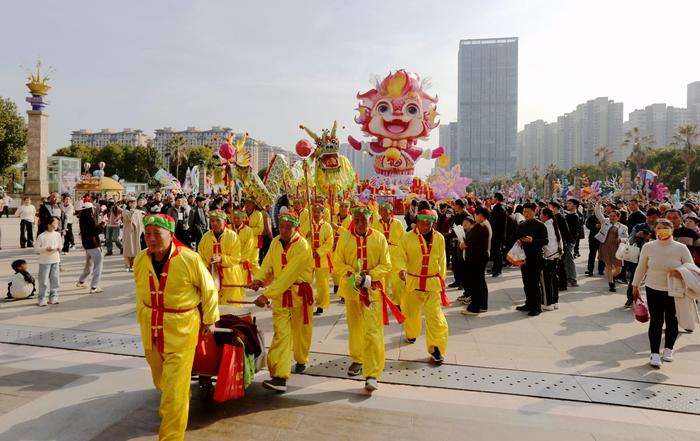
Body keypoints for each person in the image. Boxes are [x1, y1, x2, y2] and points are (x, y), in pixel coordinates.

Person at [135, 213, 219, 441]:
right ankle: (180, 396)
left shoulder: (188, 259)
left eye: (156, 234)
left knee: (173, 392)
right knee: (162, 381)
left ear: (170, 235)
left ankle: (171, 436)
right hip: (151, 330)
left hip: (181, 331)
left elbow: (208, 288)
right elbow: (140, 291)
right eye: (148, 234)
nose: (151, 239)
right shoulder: (140, 259)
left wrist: (209, 320)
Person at [251, 212, 313, 393]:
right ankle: (279, 376)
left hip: (299, 294)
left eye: (289, 227)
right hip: (281, 297)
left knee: (302, 333)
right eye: (282, 226)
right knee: (281, 334)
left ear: (296, 228)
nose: (285, 230)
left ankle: (301, 358)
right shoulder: (276, 242)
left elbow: (288, 275)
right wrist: (260, 280)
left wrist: (266, 294)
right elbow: (268, 265)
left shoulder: (302, 246)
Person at [333, 204, 392, 391]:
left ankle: (372, 373)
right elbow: (337, 262)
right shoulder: (344, 238)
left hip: (373, 292)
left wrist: (371, 276)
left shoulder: (379, 238)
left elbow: (386, 264)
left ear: (370, 220)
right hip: (351, 291)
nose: (359, 223)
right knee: (355, 328)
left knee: (373, 331)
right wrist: (350, 273)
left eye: (363, 220)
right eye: (356, 219)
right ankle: (357, 359)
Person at [632, 218, 693, 368]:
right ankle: (654, 353)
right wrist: (635, 285)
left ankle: (668, 349)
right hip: (653, 288)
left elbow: (691, 267)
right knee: (656, 321)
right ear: (655, 230)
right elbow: (641, 267)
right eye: (659, 228)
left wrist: (681, 272)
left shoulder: (681, 248)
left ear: (672, 230)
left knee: (672, 320)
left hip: (674, 289)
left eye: (666, 228)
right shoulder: (648, 246)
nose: (662, 231)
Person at [398, 209, 448, 362]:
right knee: (410, 314)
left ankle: (436, 348)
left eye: (429, 223)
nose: (426, 226)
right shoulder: (407, 237)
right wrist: (401, 269)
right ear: (417, 223)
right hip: (413, 282)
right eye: (423, 223)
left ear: (433, 223)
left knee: (436, 317)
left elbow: (442, 260)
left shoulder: (439, 238)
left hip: (432, 283)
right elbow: (401, 256)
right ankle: (411, 333)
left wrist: (442, 279)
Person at [198, 209, 244, 304]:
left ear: (225, 221)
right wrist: (207, 266)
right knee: (214, 308)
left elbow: (236, 258)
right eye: (212, 221)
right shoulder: (205, 237)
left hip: (230, 278)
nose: (214, 223)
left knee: (232, 309)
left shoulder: (232, 236)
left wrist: (221, 259)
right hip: (212, 277)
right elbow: (200, 257)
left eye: (218, 220)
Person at [515, 203, 548, 316]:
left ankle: (537, 307)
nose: (526, 214)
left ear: (535, 212)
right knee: (526, 282)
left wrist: (533, 240)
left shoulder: (540, 225)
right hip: (524, 258)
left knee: (534, 283)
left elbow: (545, 241)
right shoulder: (522, 225)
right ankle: (528, 303)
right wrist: (519, 241)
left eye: (528, 212)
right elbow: (517, 237)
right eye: (524, 212)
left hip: (536, 257)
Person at [460, 206, 492, 315]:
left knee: (475, 282)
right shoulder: (486, 224)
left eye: (475, 215)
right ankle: (483, 305)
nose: (475, 217)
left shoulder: (480, 226)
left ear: (480, 215)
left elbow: (468, 242)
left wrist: (463, 243)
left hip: (477, 257)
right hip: (482, 255)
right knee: (480, 281)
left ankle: (474, 307)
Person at [624, 207, 659, 308]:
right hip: (639, 256)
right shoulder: (639, 226)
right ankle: (630, 298)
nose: (652, 219)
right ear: (647, 216)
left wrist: (651, 238)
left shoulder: (661, 227)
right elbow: (629, 241)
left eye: (655, 217)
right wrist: (637, 237)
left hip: (656, 257)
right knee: (635, 277)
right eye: (650, 217)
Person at [373, 201, 405, 307]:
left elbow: (403, 239)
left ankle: (397, 303)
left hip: (396, 254)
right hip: (382, 255)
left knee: (397, 281)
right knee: (383, 281)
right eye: (381, 210)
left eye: (385, 210)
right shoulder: (376, 224)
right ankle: (384, 303)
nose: (383, 213)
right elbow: (373, 239)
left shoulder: (397, 223)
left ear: (390, 211)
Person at [306, 203, 333, 316]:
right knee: (307, 282)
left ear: (322, 214)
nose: (316, 214)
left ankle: (321, 305)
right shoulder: (308, 224)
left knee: (322, 284)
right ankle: (308, 303)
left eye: (318, 212)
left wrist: (318, 252)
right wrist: (307, 236)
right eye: (314, 212)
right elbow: (300, 238)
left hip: (322, 259)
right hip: (309, 258)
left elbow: (329, 242)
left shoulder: (327, 226)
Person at [594, 203, 628, 292]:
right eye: (610, 216)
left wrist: (622, 240)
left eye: (614, 216)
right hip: (605, 246)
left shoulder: (623, 227)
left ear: (618, 217)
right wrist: (598, 204)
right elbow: (598, 213)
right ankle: (611, 284)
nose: (611, 217)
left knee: (618, 269)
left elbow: (626, 238)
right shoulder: (605, 221)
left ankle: (610, 276)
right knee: (608, 266)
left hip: (617, 248)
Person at [76, 202, 106, 294]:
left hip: (87, 245)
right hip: (94, 245)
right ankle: (94, 287)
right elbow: (95, 231)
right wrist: (102, 224)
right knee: (98, 267)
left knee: (88, 265)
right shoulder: (90, 218)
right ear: (91, 209)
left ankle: (81, 281)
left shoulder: (82, 218)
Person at [35, 216, 63, 306]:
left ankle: (53, 298)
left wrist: (59, 248)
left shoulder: (57, 234)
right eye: (55, 223)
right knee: (43, 281)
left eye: (57, 223)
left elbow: (61, 246)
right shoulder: (42, 236)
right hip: (44, 261)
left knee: (55, 280)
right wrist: (45, 249)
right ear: (49, 224)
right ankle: (42, 299)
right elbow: (36, 249)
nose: (57, 224)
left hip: (55, 260)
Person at [539, 208, 563, 311]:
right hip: (555, 255)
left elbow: (546, 242)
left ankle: (548, 303)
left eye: (541, 214)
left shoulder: (545, 226)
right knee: (554, 278)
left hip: (549, 256)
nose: (540, 216)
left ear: (546, 216)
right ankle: (555, 301)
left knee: (547, 280)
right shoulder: (553, 224)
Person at [231, 209, 258, 285]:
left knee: (241, 286)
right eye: (234, 218)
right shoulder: (228, 229)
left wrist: (239, 259)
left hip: (241, 262)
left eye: (238, 218)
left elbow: (249, 248)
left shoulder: (249, 231)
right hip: (230, 262)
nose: (236, 220)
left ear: (242, 218)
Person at [122, 197, 145, 271]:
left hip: (136, 233)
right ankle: (127, 264)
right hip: (128, 233)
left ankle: (133, 265)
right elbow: (128, 217)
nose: (132, 204)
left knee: (136, 248)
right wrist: (132, 211)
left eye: (134, 202)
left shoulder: (138, 212)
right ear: (128, 203)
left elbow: (141, 222)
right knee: (128, 248)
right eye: (130, 202)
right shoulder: (125, 211)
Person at [585, 204, 606, 276]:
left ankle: (601, 270)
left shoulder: (606, 218)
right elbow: (587, 225)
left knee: (602, 254)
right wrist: (595, 226)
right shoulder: (592, 218)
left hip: (602, 239)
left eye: (601, 209)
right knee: (592, 254)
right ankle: (590, 270)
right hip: (593, 238)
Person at [489, 193, 507, 277]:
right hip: (498, 233)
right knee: (495, 251)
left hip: (497, 233)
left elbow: (495, 222)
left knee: (497, 252)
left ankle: (498, 269)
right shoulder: (501, 207)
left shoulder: (498, 208)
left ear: (496, 198)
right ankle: (495, 267)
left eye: (494, 197)